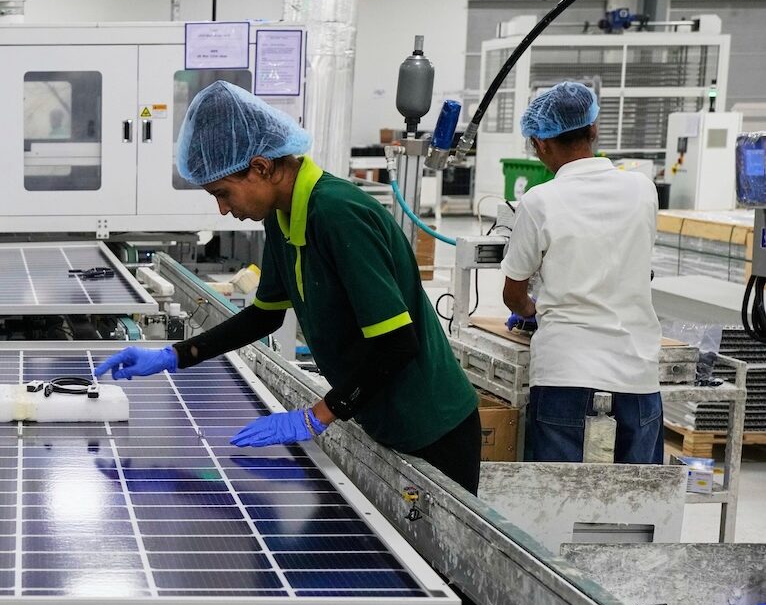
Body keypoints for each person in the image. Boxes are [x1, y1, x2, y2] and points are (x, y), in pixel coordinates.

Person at [94, 81, 482, 493]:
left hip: (433, 426)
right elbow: (265, 314)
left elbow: (397, 343)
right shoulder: (281, 216)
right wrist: (174, 355)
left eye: (223, 193)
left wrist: (315, 416)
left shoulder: (337, 213)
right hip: (382, 415)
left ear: (261, 167)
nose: (223, 209)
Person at [500, 81, 663, 464]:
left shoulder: (539, 201)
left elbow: (513, 292)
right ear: (594, 129)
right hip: (636, 371)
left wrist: (530, 310)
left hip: (565, 372)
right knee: (640, 502)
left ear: (540, 144)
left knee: (557, 504)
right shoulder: (643, 189)